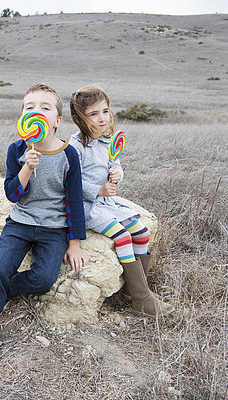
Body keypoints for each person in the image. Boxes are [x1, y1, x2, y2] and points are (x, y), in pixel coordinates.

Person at [0, 83, 87, 381]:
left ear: (57, 120)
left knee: (43, 279)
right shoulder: (17, 149)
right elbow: (12, 195)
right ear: (22, 118)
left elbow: (74, 201)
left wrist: (75, 242)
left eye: (45, 107)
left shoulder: (69, 155)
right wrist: (26, 168)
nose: (36, 111)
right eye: (29, 107)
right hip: (20, 222)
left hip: (53, 229)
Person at [68, 85, 174, 318]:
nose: (102, 118)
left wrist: (117, 173)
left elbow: (114, 165)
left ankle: (133, 290)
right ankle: (141, 299)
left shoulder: (108, 142)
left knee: (142, 232)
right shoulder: (76, 147)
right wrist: (99, 189)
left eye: (105, 111)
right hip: (88, 208)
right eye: (93, 114)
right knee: (123, 237)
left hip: (108, 205)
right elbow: (71, 183)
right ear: (78, 118)